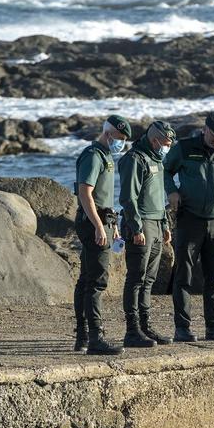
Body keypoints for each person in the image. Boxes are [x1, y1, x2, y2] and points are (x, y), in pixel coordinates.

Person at [163, 110, 214, 342]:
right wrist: (172, 191)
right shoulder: (185, 148)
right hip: (190, 219)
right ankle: (182, 327)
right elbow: (165, 170)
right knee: (184, 275)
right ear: (205, 129)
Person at [73, 114, 132, 355]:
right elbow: (84, 193)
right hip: (93, 221)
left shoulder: (106, 156)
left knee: (87, 278)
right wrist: (98, 226)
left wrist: (112, 225)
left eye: (125, 140)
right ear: (108, 134)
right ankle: (95, 337)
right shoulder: (93, 155)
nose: (122, 143)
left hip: (104, 219)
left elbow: (103, 196)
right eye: (119, 138)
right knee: (96, 281)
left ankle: (83, 336)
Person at [119, 120, 177, 348]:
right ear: (155, 140)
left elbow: (158, 197)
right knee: (136, 278)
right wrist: (136, 227)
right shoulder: (134, 159)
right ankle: (132, 330)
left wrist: (165, 225)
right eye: (166, 143)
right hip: (140, 224)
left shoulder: (157, 159)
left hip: (155, 223)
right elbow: (128, 198)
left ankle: (145, 325)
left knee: (149, 279)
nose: (168, 148)